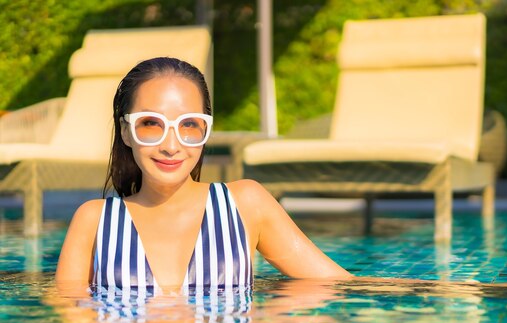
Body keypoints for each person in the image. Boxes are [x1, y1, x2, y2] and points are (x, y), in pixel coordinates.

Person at [55, 57, 350, 294]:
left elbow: (340, 285)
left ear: (205, 131)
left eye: (188, 125)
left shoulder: (247, 204)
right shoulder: (93, 221)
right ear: (126, 132)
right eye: (150, 123)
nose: (171, 146)